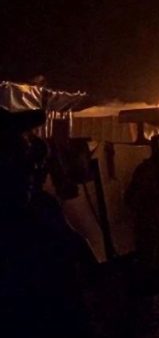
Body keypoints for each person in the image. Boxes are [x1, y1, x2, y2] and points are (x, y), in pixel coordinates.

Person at [0, 108, 94, 336]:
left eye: (25, 152)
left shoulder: (42, 207)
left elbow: (79, 255)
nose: (31, 167)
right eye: (13, 153)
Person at [125, 133, 159, 268]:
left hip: (158, 221)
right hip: (148, 224)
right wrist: (147, 213)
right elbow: (131, 197)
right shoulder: (147, 170)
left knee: (158, 258)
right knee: (150, 260)